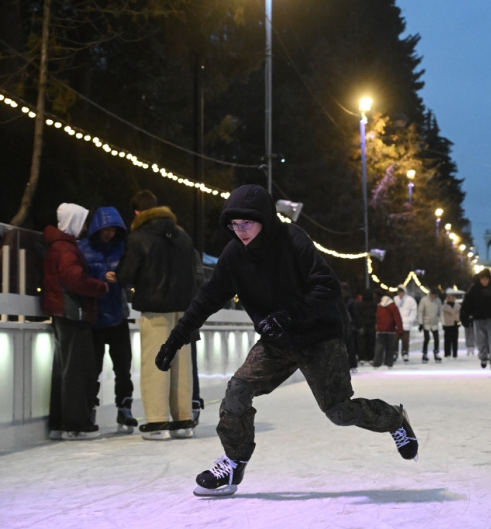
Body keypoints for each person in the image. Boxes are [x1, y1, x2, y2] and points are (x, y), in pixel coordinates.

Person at [151, 184, 418, 496]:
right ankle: (234, 463)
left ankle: (395, 419)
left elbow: (328, 287)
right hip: (277, 342)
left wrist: (290, 314)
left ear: (264, 218)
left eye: (247, 223)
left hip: (319, 338)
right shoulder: (234, 256)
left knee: (339, 412)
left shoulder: (292, 240)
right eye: (234, 225)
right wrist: (174, 341)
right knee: (238, 390)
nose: (241, 231)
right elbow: (205, 301)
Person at [114, 189, 199, 440]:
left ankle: (157, 421)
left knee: (156, 363)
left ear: (137, 212)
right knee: (181, 366)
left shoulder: (139, 236)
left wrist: (116, 276)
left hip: (155, 307)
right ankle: (183, 420)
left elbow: (128, 273)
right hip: (184, 309)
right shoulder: (182, 235)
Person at [42, 203, 109, 440]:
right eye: (81, 221)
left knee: (64, 369)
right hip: (73, 313)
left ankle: (60, 423)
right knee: (77, 370)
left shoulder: (57, 246)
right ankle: (76, 424)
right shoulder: (66, 249)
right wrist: (100, 286)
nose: (84, 228)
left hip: (63, 313)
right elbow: (75, 279)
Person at [78, 206, 138, 433]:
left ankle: (124, 408)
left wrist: (121, 278)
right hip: (93, 319)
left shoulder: (123, 249)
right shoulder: (82, 249)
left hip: (117, 318)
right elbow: (79, 278)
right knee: (92, 370)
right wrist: (99, 278)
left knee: (123, 368)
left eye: (113, 230)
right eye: (105, 229)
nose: (109, 234)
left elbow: (131, 274)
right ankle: (89, 408)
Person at [374, 289, 403, 368]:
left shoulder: (379, 305)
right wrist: (400, 329)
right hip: (390, 330)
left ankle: (377, 363)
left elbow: (377, 318)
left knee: (379, 347)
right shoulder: (392, 305)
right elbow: (397, 317)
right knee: (390, 347)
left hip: (380, 330)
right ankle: (389, 363)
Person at [418, 289, 442, 363]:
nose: (433, 296)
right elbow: (420, 312)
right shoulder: (424, 300)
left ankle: (436, 353)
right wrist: (420, 323)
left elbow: (440, 312)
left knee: (436, 338)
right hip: (426, 323)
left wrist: (442, 323)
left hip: (434, 323)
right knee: (427, 338)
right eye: (432, 294)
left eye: (434, 295)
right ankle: (424, 353)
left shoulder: (438, 301)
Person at [393, 286, 417, 363]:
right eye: (399, 292)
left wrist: (410, 320)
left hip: (406, 323)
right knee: (395, 340)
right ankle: (394, 352)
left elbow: (413, 311)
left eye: (402, 292)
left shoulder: (410, 300)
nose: (400, 294)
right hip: (396, 324)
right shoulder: (395, 300)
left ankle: (405, 353)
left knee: (405, 340)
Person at [357, 288, 378, 363]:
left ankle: (362, 357)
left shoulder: (360, 305)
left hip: (363, 325)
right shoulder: (374, 305)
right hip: (371, 325)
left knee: (362, 342)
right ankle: (370, 357)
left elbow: (357, 315)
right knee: (371, 342)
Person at [441, 293, 461, 358]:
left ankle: (455, 354)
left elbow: (460, 315)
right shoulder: (444, 306)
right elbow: (442, 316)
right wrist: (443, 324)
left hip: (455, 324)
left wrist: (459, 323)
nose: (451, 299)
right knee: (447, 340)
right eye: (450, 297)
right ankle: (447, 353)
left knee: (455, 340)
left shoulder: (458, 306)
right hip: (447, 324)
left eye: (452, 297)